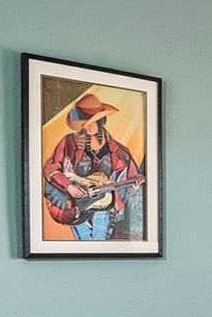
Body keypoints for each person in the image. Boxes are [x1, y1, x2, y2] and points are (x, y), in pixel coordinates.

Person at [43, 92, 143, 241]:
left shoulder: (121, 153)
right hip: (75, 208)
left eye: (89, 123)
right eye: (82, 124)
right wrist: (69, 186)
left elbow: (131, 187)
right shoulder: (70, 142)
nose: (85, 128)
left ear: (100, 121)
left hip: (105, 210)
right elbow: (50, 169)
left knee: (98, 248)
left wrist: (134, 186)